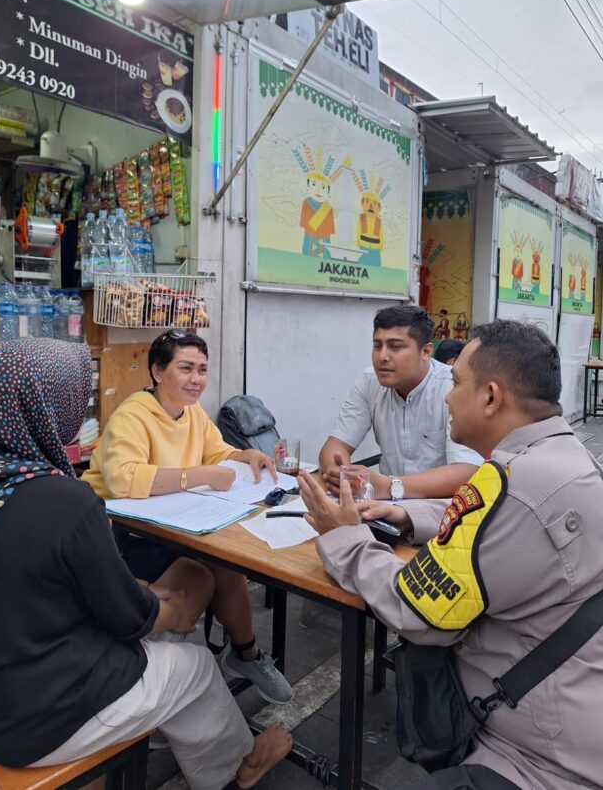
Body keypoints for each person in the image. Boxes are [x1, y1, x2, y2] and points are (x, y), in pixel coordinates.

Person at [0, 338, 291, 787]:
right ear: (38, 410)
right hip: (44, 721)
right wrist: (170, 606)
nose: (78, 415)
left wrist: (148, 595)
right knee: (195, 665)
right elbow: (130, 619)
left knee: (174, 623)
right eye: (72, 400)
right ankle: (240, 766)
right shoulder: (65, 500)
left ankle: (177, 709)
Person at [301, 320, 603, 790]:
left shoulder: (516, 485)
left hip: (533, 757)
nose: (447, 395)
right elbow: (490, 514)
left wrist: (345, 538)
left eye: (457, 381)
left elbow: (416, 609)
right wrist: (406, 516)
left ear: (490, 397)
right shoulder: (555, 458)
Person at [82, 330, 293, 704]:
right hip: (121, 535)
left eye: (202, 370)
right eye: (186, 369)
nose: (196, 379)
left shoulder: (191, 413)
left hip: (175, 524)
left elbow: (215, 452)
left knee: (229, 563)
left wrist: (247, 456)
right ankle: (159, 689)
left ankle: (247, 655)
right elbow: (121, 478)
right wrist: (196, 476)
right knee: (201, 574)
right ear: (157, 372)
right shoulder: (133, 415)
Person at [319, 306, 482, 505]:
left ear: (426, 351)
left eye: (395, 347)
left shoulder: (452, 386)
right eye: (377, 346)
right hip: (384, 506)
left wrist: (389, 486)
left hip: (441, 511)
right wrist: (341, 475)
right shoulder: (369, 381)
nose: (382, 357)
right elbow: (334, 447)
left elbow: (467, 471)